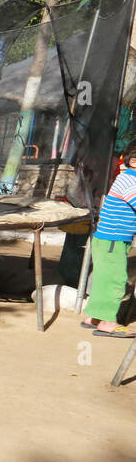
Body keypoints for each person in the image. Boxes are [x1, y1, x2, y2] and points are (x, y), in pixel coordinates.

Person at [82, 144, 136, 338]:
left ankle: (94, 317)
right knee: (116, 280)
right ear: (133, 162)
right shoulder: (130, 181)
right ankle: (107, 322)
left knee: (104, 279)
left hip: (109, 240)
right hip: (112, 240)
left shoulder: (127, 179)